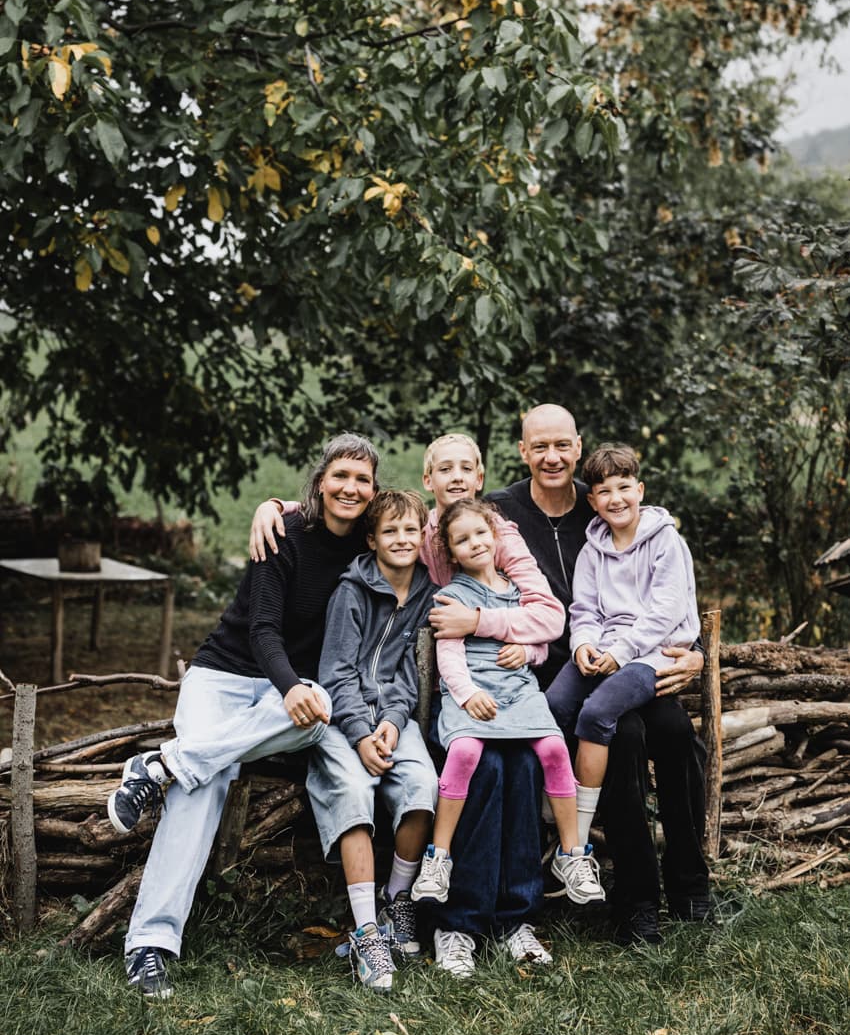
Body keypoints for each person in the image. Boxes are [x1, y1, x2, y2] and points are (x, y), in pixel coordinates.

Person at [249, 431, 571, 978]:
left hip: (500, 696)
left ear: (481, 478)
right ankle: (451, 923)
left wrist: (490, 627)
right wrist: (275, 505)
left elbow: (549, 614)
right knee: (478, 769)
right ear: (428, 480)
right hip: (447, 700)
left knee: (521, 767)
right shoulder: (413, 534)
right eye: (445, 468)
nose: (457, 477)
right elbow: (346, 516)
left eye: (468, 468)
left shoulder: (498, 533)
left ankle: (514, 918)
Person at [108, 434, 379, 998]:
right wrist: (274, 507)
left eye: (363, 479)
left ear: (373, 491)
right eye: (340, 476)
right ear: (320, 481)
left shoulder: (368, 546)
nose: (350, 488)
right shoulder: (283, 533)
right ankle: (150, 945)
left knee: (317, 705)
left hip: (285, 695)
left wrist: (290, 693)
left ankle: (160, 765)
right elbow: (261, 631)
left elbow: (429, 524)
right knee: (203, 784)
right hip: (227, 675)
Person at [486, 405, 710, 943]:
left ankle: (690, 881)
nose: (552, 456)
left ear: (578, 447)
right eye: (539, 446)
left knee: (678, 734)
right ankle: (636, 901)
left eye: (562, 445)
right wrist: (286, 508)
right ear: (523, 451)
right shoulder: (501, 512)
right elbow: (428, 525)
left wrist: (696, 651)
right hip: (558, 670)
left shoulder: (626, 519)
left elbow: (668, 603)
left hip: (635, 658)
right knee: (624, 737)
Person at [410, 499, 604, 919]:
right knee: (464, 753)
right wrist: (464, 695)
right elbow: (449, 656)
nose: (474, 543)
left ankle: (572, 853)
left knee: (554, 750)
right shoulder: (451, 596)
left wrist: (530, 652)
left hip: (518, 692)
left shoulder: (519, 594)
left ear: (496, 537)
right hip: (475, 693)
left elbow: (543, 641)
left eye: (481, 534)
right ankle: (438, 857)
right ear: (450, 551)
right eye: (462, 540)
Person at [306, 489, 439, 991]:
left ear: (424, 536)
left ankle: (396, 900)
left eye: (411, 530)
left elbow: (406, 672)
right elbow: (336, 673)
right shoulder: (351, 591)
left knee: (425, 786)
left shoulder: (424, 589)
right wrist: (362, 734)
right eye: (390, 531)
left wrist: (395, 720)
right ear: (372, 539)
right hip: (341, 719)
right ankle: (365, 931)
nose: (402, 539)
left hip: (391, 720)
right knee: (355, 793)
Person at [545, 444, 701, 859]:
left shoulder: (666, 541)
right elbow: (585, 609)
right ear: (592, 501)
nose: (616, 499)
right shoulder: (593, 548)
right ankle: (548, 806)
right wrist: (583, 644)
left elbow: (666, 612)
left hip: (654, 653)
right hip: (606, 648)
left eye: (624, 487)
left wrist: (622, 650)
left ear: (640, 489)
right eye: (605, 491)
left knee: (597, 713)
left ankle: (574, 839)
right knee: (553, 705)